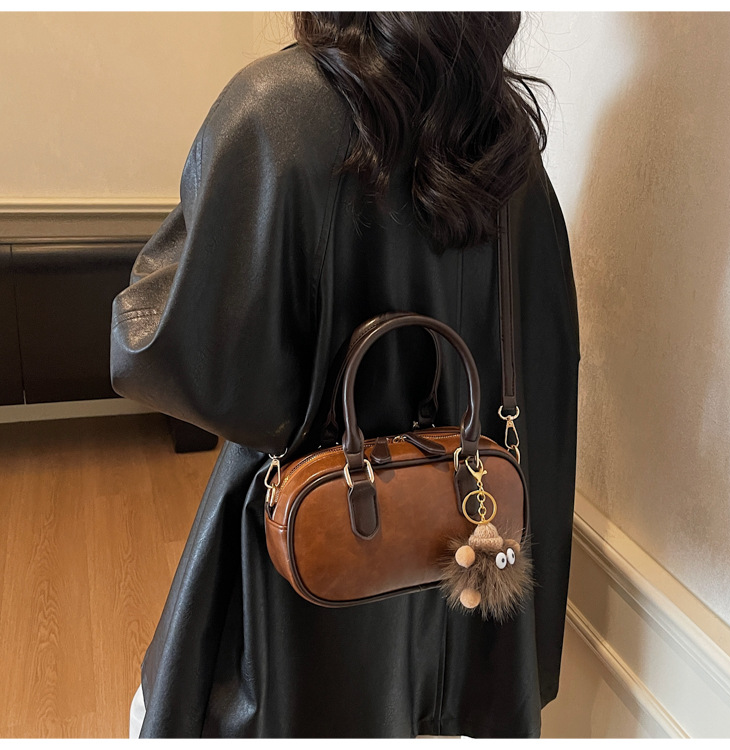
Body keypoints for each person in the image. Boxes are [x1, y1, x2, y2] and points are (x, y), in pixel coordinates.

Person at [111, 11, 580, 738]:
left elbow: (166, 353)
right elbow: (545, 362)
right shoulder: (507, 137)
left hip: (311, 583)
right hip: (468, 570)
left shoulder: (277, 107)